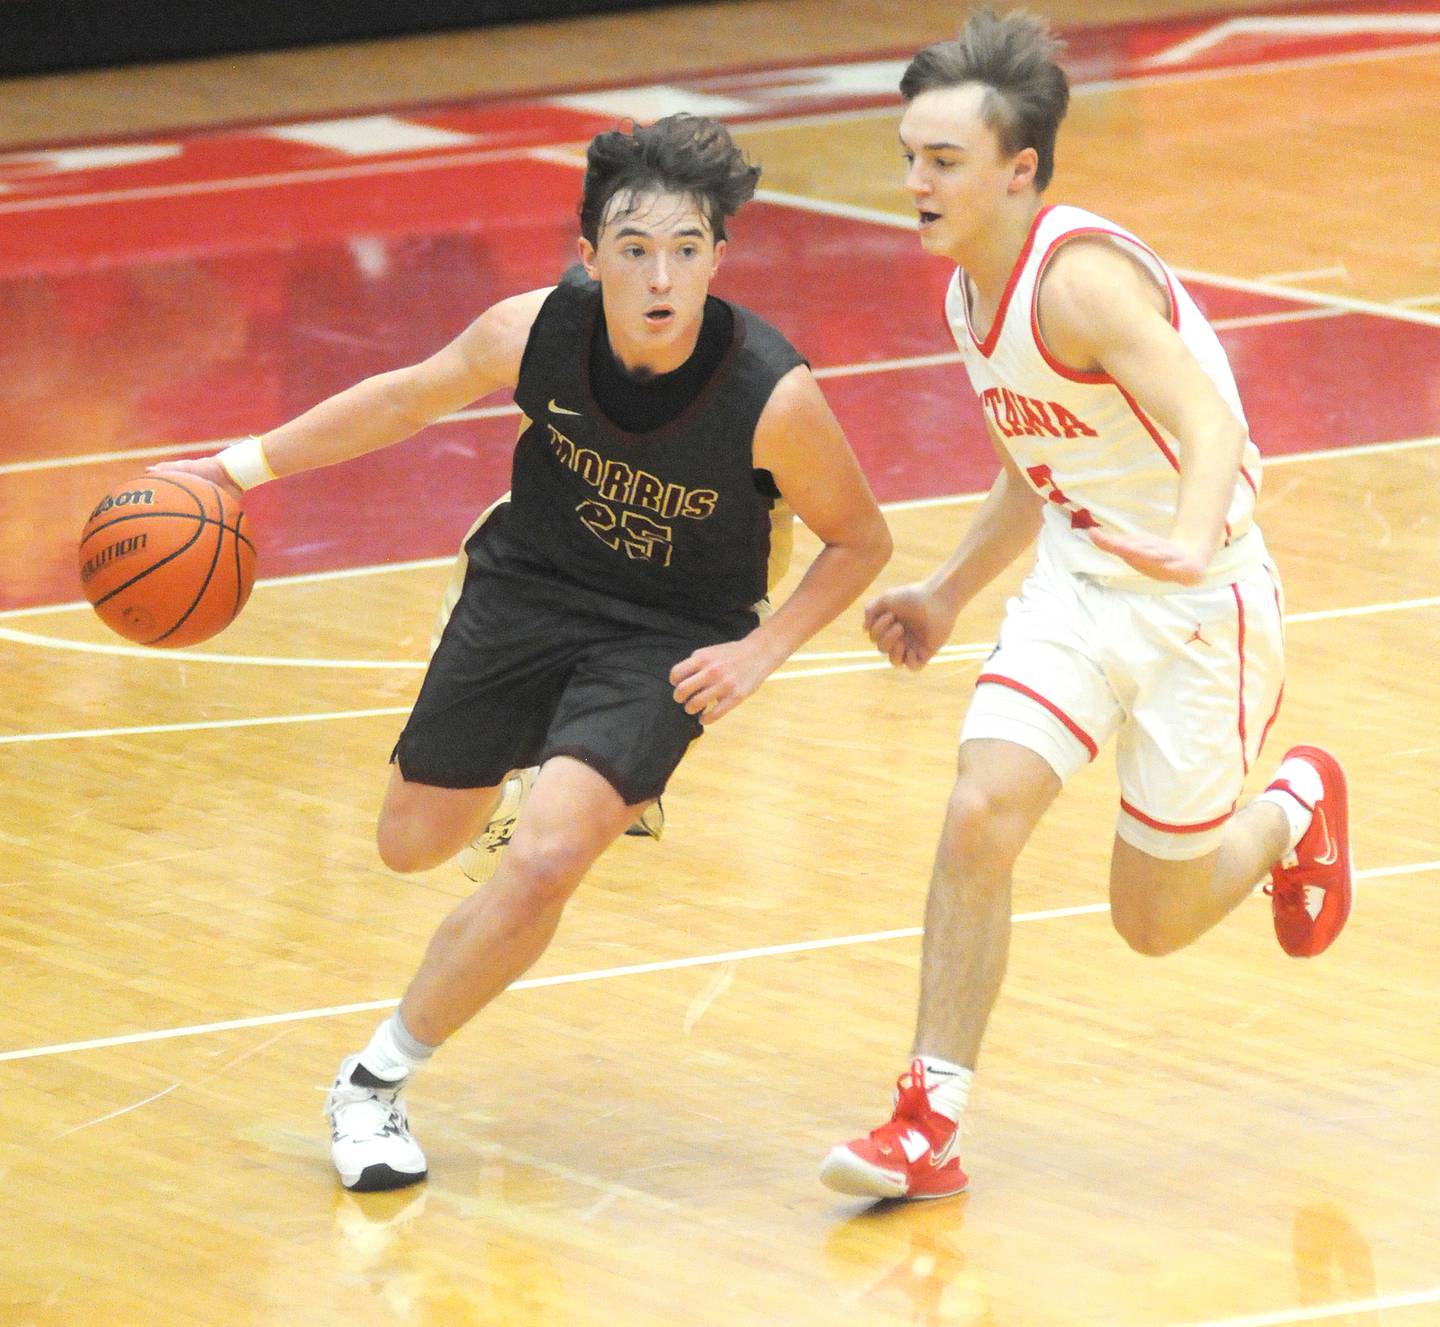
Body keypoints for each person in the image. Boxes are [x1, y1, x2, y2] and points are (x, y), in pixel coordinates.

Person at [154, 114, 892, 1192]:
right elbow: (405, 397)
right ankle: (526, 775)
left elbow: (861, 538)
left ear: (719, 261)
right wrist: (233, 470)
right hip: (527, 586)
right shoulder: (532, 331)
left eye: (687, 249)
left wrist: (760, 652)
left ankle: (373, 1083)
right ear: (589, 256)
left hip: (668, 635)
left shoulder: (771, 397)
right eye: (634, 249)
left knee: (547, 860)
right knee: (410, 844)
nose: (661, 275)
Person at [819, 10, 1352, 1202]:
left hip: (1202, 600)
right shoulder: (972, 293)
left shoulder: (1084, 279)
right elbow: (1037, 459)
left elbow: (1212, 423)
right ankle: (929, 1122)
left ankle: (1293, 805)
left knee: (1151, 923)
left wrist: (1185, 531)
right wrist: (950, 590)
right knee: (979, 809)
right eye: (908, 155)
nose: (915, 180)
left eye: (942, 161)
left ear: (1020, 171)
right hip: (1081, 583)